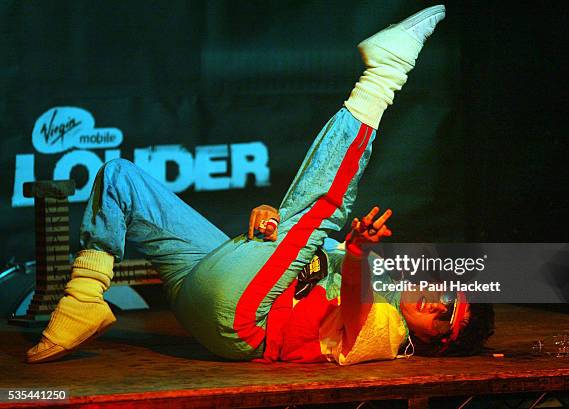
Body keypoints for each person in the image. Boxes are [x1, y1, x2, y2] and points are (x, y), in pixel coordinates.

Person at [27, 4, 494, 365]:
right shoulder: (387, 278)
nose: (436, 301)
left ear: (437, 343)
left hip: (245, 324)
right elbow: (300, 257)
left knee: (322, 207)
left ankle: (383, 77)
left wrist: (352, 256)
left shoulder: (392, 336)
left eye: (443, 317)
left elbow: (352, 313)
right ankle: (83, 298)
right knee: (121, 178)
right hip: (202, 286)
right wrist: (265, 226)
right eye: (449, 295)